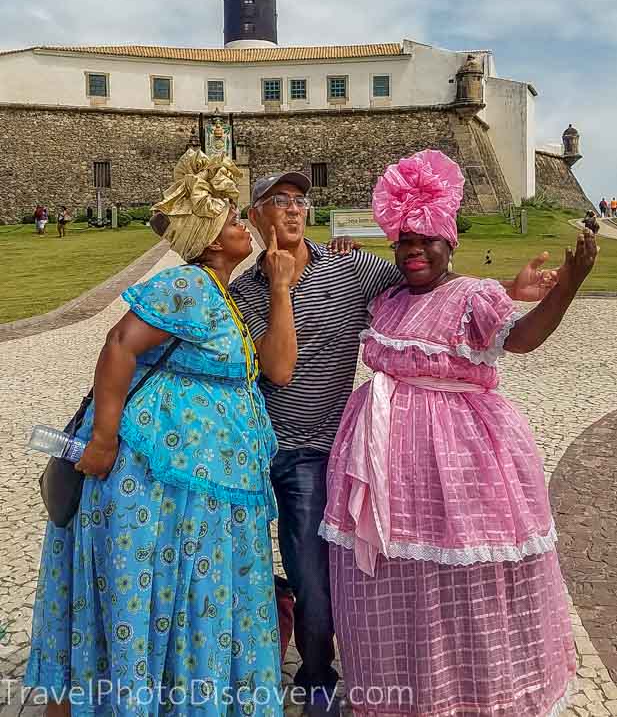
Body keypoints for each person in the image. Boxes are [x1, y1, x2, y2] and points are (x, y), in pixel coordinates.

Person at [230, 169, 561, 713]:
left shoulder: (349, 266)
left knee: (317, 578)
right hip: (254, 446)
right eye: (276, 200)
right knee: (236, 567)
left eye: (299, 200)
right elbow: (270, 367)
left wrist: (506, 289)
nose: (292, 209)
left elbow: (429, 286)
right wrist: (274, 285)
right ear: (255, 216)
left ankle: (317, 677)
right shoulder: (243, 291)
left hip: (318, 450)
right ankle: (245, 651)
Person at [320, 150, 595, 717]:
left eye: (426, 241)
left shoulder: (476, 295)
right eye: (404, 242)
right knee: (398, 575)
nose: (414, 250)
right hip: (380, 457)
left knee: (466, 568)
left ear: (451, 245)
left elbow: (519, 339)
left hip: (463, 456)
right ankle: (402, 687)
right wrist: (340, 255)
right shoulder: (388, 299)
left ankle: (476, 692)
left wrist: (568, 287)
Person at [25, 150, 296, 717]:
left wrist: (280, 288)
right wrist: (102, 439)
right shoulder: (189, 285)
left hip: (203, 479)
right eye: (233, 222)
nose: (244, 226)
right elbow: (120, 345)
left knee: (182, 587)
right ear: (211, 240)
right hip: (161, 476)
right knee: (157, 585)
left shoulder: (220, 294)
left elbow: (277, 370)